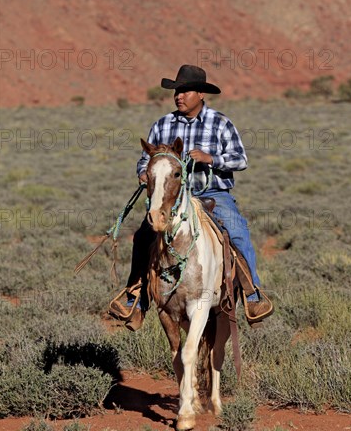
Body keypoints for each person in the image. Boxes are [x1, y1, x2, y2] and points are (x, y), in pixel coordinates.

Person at [109, 65, 273, 330]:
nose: (179, 96)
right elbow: (145, 158)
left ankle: (252, 294)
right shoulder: (162, 125)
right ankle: (136, 298)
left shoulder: (220, 123)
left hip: (211, 194)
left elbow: (240, 159)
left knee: (237, 230)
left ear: (200, 93)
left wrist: (211, 159)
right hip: (171, 199)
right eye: (176, 91)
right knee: (142, 236)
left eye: (185, 91)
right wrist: (144, 173)